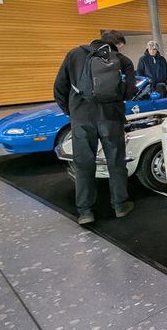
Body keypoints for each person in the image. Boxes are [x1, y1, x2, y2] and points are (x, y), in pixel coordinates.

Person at [53, 30, 137, 225]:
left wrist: (72, 112)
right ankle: (120, 206)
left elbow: (59, 88)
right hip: (111, 118)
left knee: (83, 165)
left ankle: (86, 212)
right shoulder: (122, 60)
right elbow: (130, 91)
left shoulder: (74, 55)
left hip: (82, 119)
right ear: (116, 44)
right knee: (116, 163)